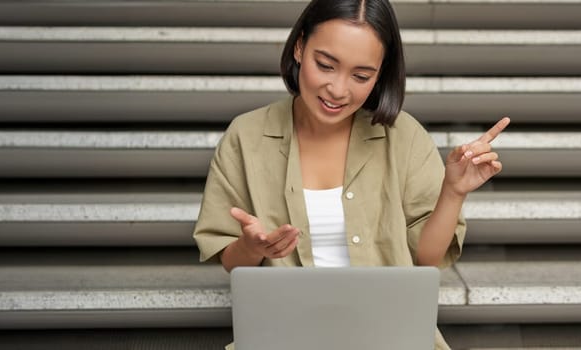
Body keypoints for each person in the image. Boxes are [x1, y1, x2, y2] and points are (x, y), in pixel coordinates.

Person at [192, 0, 509, 349]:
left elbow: (426, 260)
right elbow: (230, 261)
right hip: (285, 336)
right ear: (299, 47)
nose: (339, 90)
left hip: (388, 335)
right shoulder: (246, 136)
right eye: (325, 65)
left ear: (380, 74)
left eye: (361, 76)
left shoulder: (403, 136)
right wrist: (251, 248)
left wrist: (453, 191)